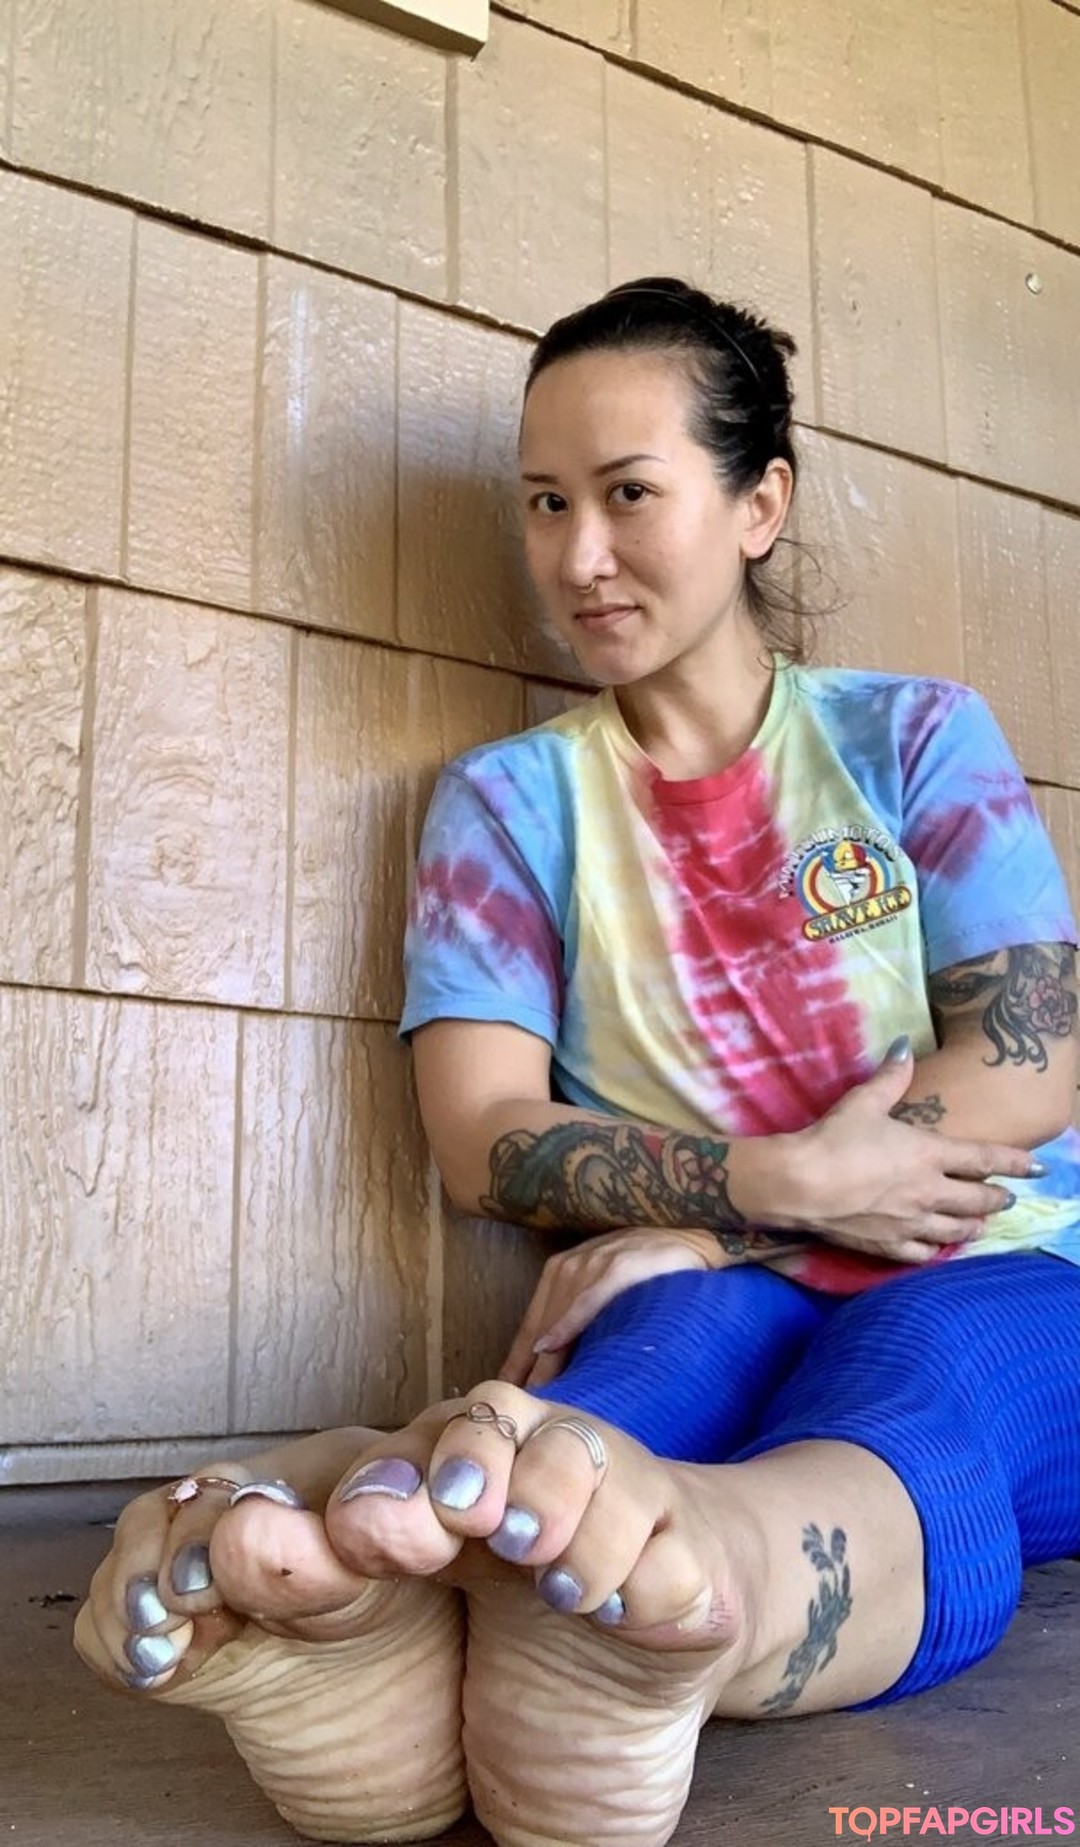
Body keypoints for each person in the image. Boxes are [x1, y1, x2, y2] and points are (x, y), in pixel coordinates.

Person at [74, 278, 1080, 1847]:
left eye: (628, 494)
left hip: (1000, 1261)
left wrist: (721, 1223)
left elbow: (1030, 1063)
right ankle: (373, 1631)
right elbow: (482, 1136)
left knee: (913, 1372)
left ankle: (698, 1617)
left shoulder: (910, 738)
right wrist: (767, 1195)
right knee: (615, 1400)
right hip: (709, 1272)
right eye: (546, 502)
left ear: (759, 506)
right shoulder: (509, 806)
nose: (579, 555)